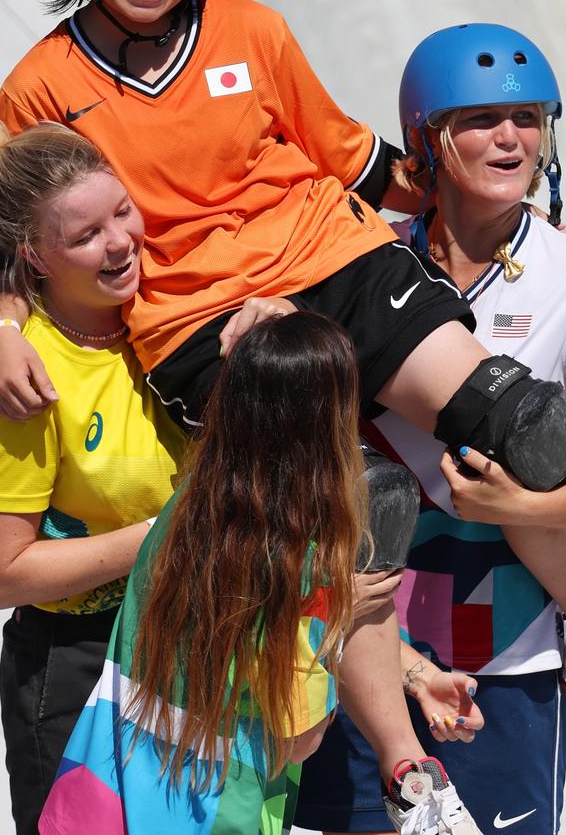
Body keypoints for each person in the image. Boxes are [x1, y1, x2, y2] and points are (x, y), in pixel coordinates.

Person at [0, 0, 566, 834]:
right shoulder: (40, 84)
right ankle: (404, 765)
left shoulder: (252, 32)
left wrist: (491, 213)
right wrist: (6, 323)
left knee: (518, 419)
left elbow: (351, 158)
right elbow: (10, 220)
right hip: (198, 318)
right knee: (358, 498)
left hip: (330, 258)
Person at [295, 23, 566, 835]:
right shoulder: (358, 261)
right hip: (351, 648)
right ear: (427, 138)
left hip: (504, 668)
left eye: (529, 118)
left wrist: (527, 511)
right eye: (479, 120)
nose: (511, 138)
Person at [37, 312, 369, 834]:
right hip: (214, 816)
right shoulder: (304, 566)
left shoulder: (181, 510)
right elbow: (298, 737)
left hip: (106, 799)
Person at [0, 121, 188, 835]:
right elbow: (0, 575)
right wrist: (162, 535)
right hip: (79, 666)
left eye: (122, 211)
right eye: (85, 235)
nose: (120, 242)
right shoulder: (23, 382)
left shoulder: (177, 314)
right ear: (33, 256)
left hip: (195, 640)